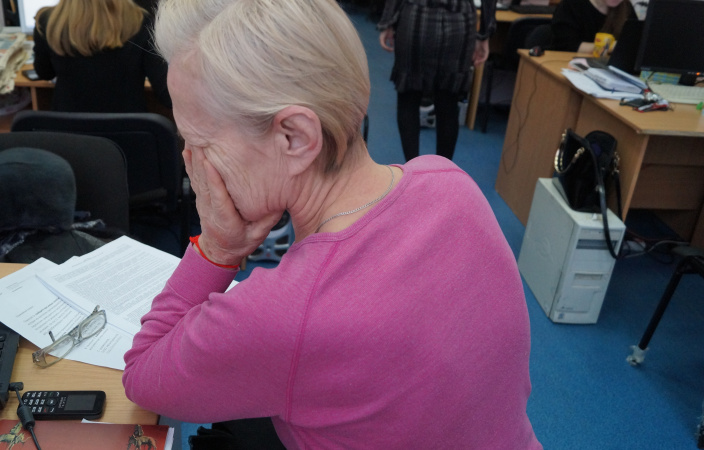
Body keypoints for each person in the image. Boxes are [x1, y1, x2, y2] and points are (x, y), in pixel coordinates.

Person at [122, 1, 541, 448]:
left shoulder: (288, 313)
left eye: (199, 142)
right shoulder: (448, 181)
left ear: (295, 138)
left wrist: (217, 249)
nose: (190, 162)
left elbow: (142, 375)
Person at [377, 0, 496, 161]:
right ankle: (443, 170)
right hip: (459, 19)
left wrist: (388, 20)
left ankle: (413, 168)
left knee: (409, 96)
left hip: (416, 16)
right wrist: (484, 34)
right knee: (448, 102)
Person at [31, 0, 170, 113]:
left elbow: (45, 73)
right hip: (126, 131)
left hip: (68, 131)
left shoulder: (48, 21)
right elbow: (165, 93)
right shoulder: (141, 22)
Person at [550, 0, 636, 53]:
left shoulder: (626, 8)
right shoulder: (572, 4)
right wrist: (611, 47)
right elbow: (566, 46)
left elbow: (633, 44)